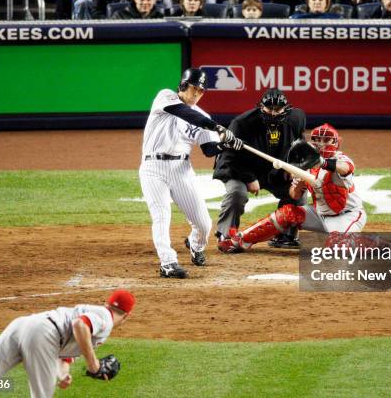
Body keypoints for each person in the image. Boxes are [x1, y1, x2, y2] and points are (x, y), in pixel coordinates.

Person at [140, 68, 243, 278]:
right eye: (194, 89)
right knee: (161, 215)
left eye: (201, 91)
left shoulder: (202, 117)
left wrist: (227, 144)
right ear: (183, 86)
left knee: (204, 224)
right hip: (153, 168)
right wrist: (217, 127)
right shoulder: (166, 97)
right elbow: (185, 113)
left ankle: (196, 246)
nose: (197, 94)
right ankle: (168, 262)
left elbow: (208, 150)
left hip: (181, 170)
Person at [0, 289, 135, 398]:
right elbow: (79, 326)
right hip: (45, 334)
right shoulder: (106, 320)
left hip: (25, 326)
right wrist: (94, 366)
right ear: (126, 316)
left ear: (108, 303)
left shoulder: (98, 314)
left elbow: (64, 354)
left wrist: (63, 374)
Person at [218, 123, 366, 253]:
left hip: (347, 215)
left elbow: (346, 168)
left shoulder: (340, 158)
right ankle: (240, 240)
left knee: (336, 251)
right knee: (287, 212)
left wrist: (322, 162)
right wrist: (300, 181)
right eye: (317, 140)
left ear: (335, 142)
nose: (321, 143)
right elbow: (294, 196)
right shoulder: (305, 164)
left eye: (326, 140)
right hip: (320, 214)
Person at [213, 88, 306, 250]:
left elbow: (299, 145)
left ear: (286, 108)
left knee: (298, 188)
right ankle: (226, 235)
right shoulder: (242, 123)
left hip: (273, 170)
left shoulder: (296, 118)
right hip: (239, 167)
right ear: (261, 107)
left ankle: (285, 234)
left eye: (278, 109)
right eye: (269, 108)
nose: (273, 113)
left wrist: (293, 167)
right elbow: (230, 157)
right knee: (237, 193)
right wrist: (249, 177)